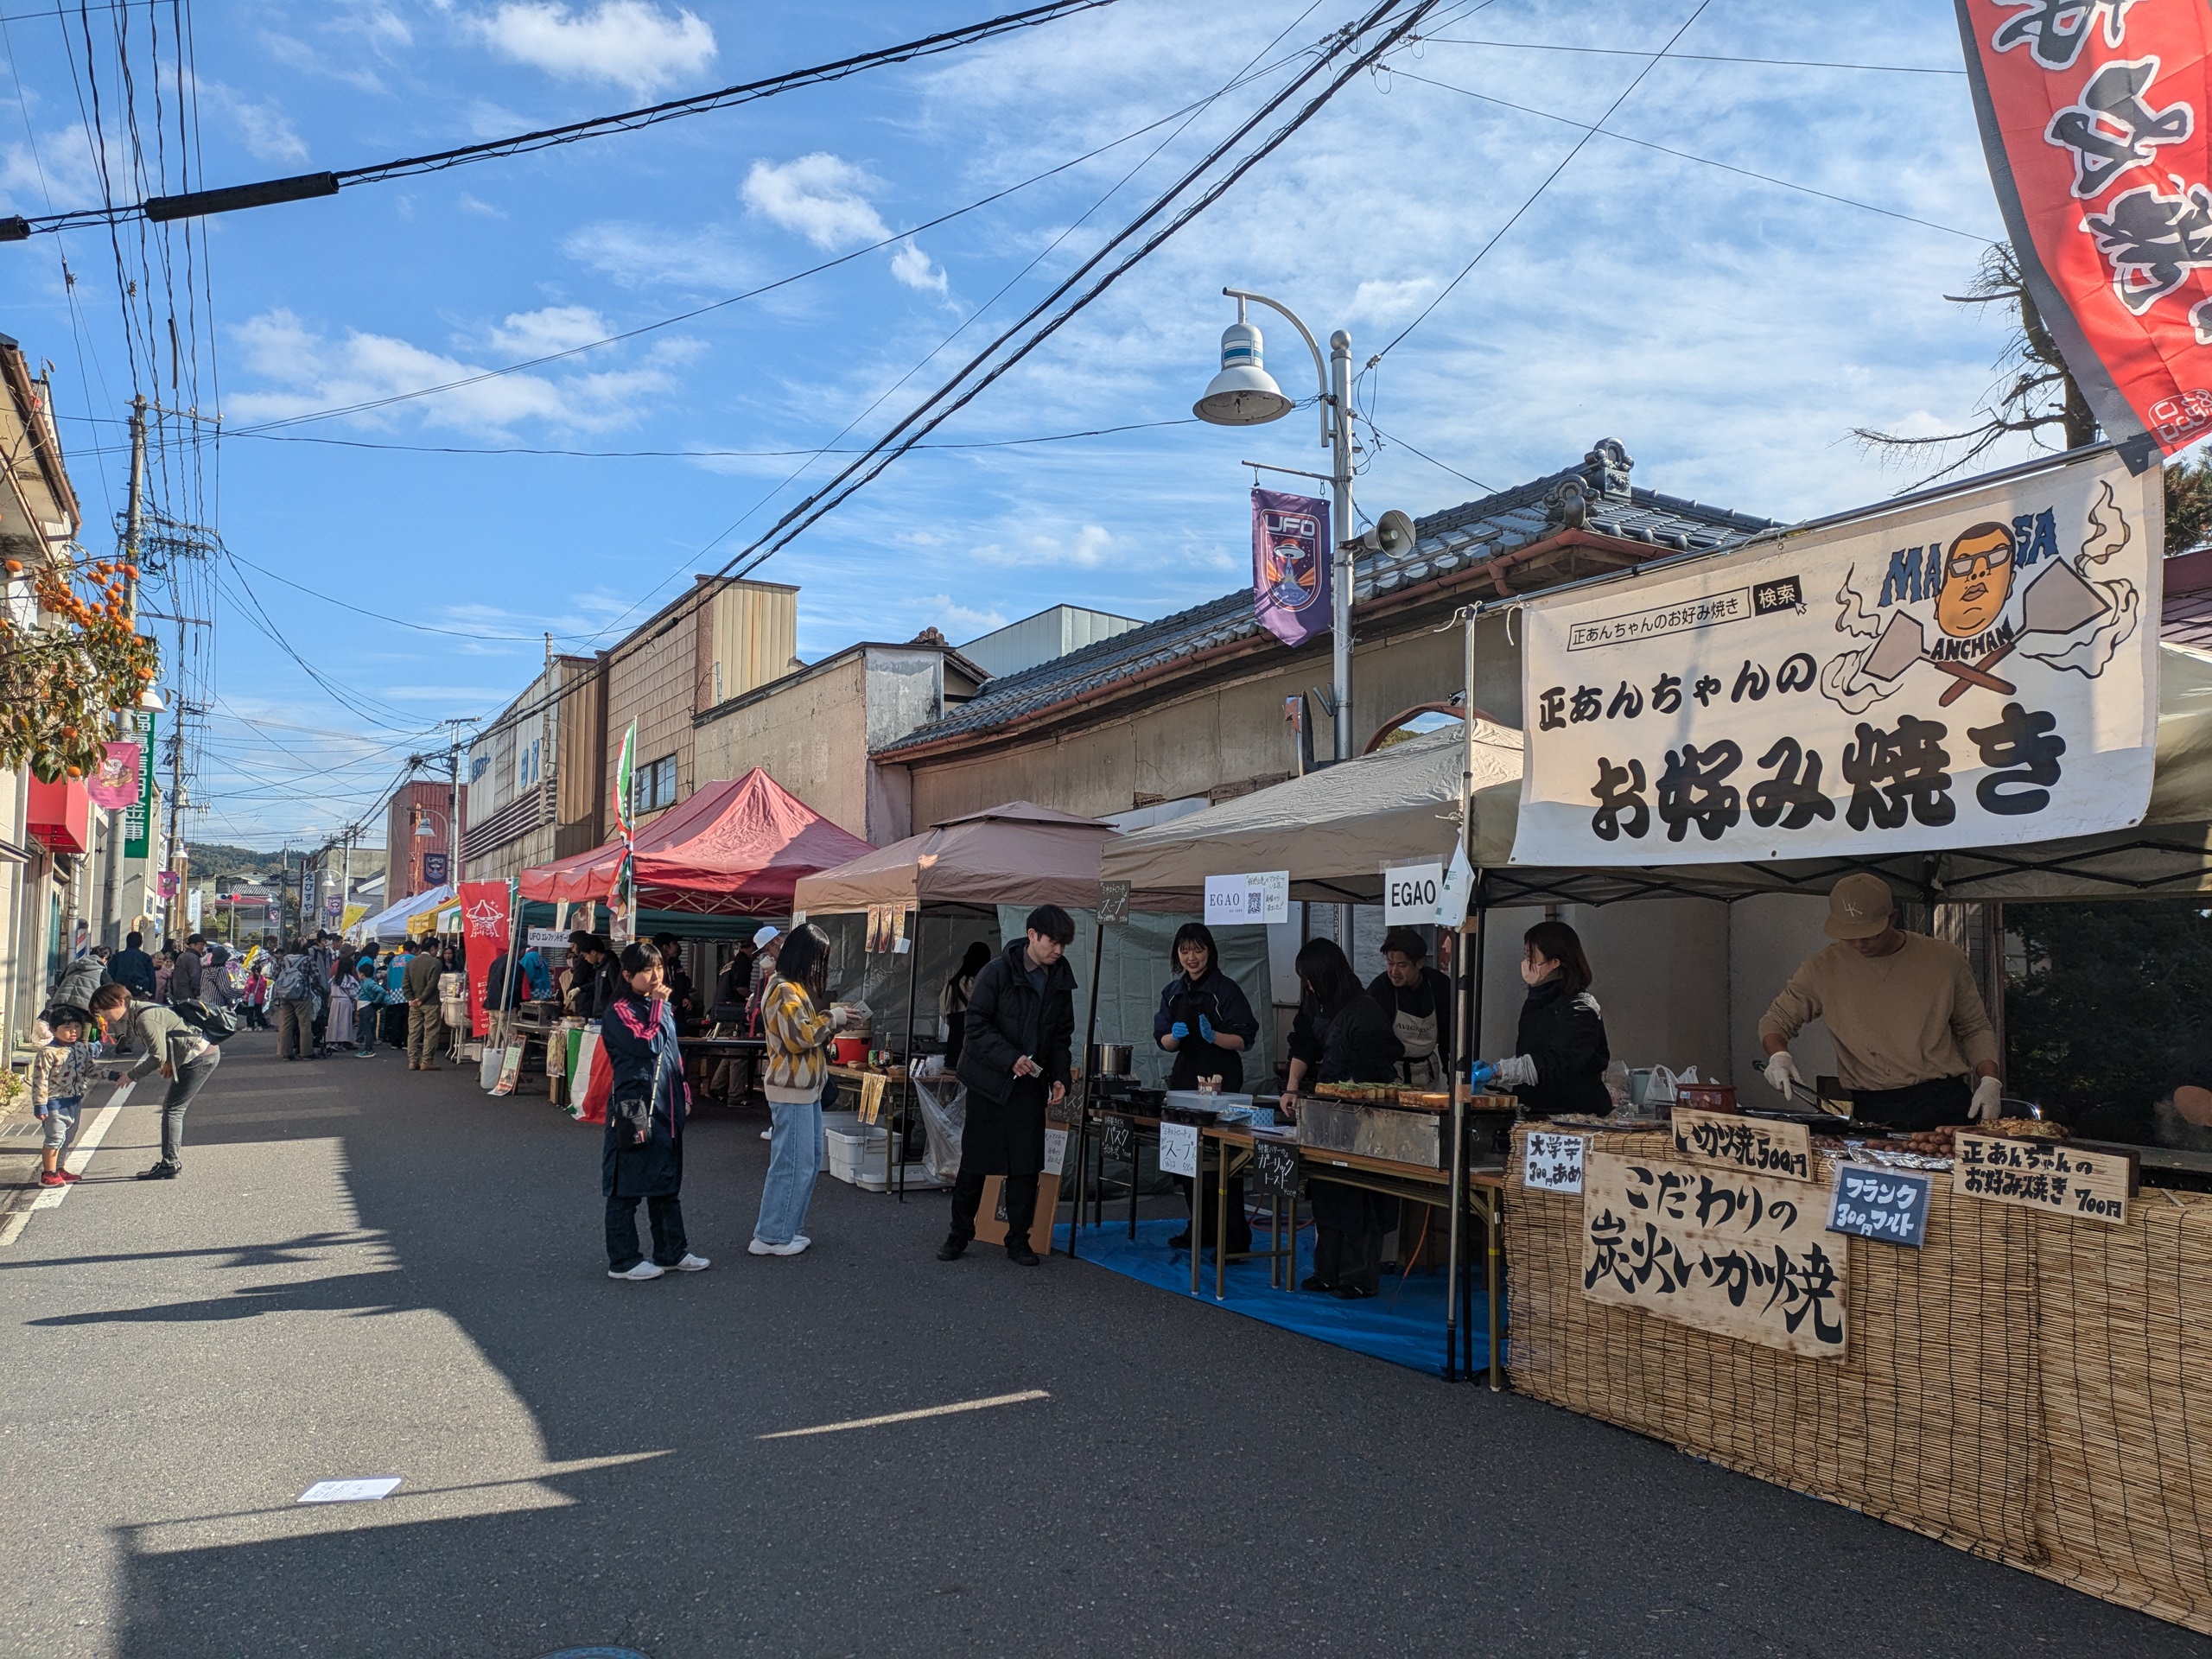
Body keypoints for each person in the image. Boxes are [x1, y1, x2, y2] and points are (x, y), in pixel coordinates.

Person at [1759, 872, 2001, 1131]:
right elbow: (1777, 1019)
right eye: (1849, 935)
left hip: (1943, 1099)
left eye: (1870, 934)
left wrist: (1989, 1080)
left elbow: (1974, 1027)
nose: (1860, 944)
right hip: (1872, 1105)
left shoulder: (1945, 959)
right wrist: (1779, 1056)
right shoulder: (1822, 968)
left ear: (1892, 919)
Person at [940, 905, 1077, 1269]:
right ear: (1032, 935)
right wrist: (1009, 1057)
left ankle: (1019, 1239)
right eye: (1053, 942)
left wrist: (1060, 1076)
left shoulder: (1060, 977)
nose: (1058, 951)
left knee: (1025, 1165)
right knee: (975, 1162)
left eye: (1064, 944)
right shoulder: (997, 971)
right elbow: (976, 1026)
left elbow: (1062, 1035)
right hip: (990, 1080)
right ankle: (958, 1234)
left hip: (1031, 1083)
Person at [1284, 938, 1403, 1299]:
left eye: (1309, 978)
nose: (1306, 985)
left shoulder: (1364, 1011)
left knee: (1358, 1198)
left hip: (1362, 1116)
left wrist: (1350, 1086)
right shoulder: (1314, 1002)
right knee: (1326, 1190)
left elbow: (1380, 1067)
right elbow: (1303, 1042)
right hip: (1324, 1109)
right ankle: (1326, 1271)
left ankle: (1358, 1277)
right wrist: (1291, 1085)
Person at [598, 940, 709, 1281]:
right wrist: (661, 1007)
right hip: (634, 1104)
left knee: (666, 1184)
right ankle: (624, 1260)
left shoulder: (656, 1005)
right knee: (626, 1187)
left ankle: (672, 1251)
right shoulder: (620, 1010)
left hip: (667, 1103)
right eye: (647, 970)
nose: (656, 975)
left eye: (659, 967)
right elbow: (648, 1045)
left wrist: (686, 1088)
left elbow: (672, 1053)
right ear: (628, 974)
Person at [1151, 922, 1261, 1253]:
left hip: (1222, 1077)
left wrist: (1215, 1036)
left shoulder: (1225, 990)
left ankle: (1234, 1235)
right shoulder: (1172, 992)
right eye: (1184, 951)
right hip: (1185, 1077)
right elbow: (1163, 1041)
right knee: (1186, 1158)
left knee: (1223, 1158)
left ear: (1209, 951)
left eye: (1197, 950)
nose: (1191, 957)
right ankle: (1199, 1226)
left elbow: (1244, 1039)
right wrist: (1176, 1037)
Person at [752, 924, 844, 1255]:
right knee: (795, 1163)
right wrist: (832, 1018)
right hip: (793, 1088)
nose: (821, 965)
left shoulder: (787, 986)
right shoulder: (785, 989)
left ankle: (780, 1231)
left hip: (799, 1088)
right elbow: (800, 1038)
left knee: (798, 1162)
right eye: (819, 958)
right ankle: (774, 1235)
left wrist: (829, 1022)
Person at [1468, 921, 1611, 1117]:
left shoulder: (1580, 1007)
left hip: (1572, 1116)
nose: (1525, 963)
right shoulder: (1538, 1000)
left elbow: (1557, 1061)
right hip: (1536, 1109)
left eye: (1531, 957)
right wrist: (1499, 1070)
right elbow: (1532, 1053)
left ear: (1555, 962)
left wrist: (1500, 1070)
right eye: (1525, 956)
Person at [88, 981, 222, 1179]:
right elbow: (168, 1038)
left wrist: (131, 1075)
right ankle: (169, 1161)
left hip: (199, 1056)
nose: (103, 1016)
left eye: (103, 1010)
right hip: (197, 1053)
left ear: (119, 1002)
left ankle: (170, 1164)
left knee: (173, 1109)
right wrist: (169, 1062)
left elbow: (156, 1056)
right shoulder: (139, 1011)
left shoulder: (144, 1018)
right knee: (171, 1108)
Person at [1366, 927, 1454, 1090]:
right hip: (1392, 1075)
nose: (1394, 972)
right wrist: (1390, 1076)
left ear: (1419, 963)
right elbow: (1372, 1044)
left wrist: (1453, 1079)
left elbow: (1449, 1038)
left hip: (1428, 1073)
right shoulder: (1379, 990)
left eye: (1401, 965)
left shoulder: (1439, 986)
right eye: (1390, 963)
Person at [29, 1003, 98, 1188]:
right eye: (67, 1028)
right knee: (55, 1137)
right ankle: (48, 1173)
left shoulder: (81, 1048)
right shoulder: (47, 1052)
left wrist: (114, 1075)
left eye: (76, 1026)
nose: (73, 1031)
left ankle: (59, 1168)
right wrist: (40, 1104)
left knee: (68, 1137)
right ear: (53, 1029)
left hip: (74, 1100)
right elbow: (40, 1080)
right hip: (55, 1103)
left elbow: (90, 1069)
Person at [941, 940, 991, 1073]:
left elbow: (944, 1014)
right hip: (975, 1052)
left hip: (953, 1053)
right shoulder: (984, 984)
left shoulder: (951, 985)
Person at [404, 939, 445, 1070]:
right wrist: (422, 999)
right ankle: (427, 1061)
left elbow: (405, 984)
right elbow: (432, 985)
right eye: (437, 949)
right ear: (432, 948)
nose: (437, 951)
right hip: (431, 1002)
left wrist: (411, 999)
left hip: (414, 1003)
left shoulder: (411, 963)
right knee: (430, 1032)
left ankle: (412, 1061)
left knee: (413, 1032)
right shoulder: (436, 963)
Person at [272, 941, 316, 1062]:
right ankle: (306, 1053)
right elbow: (316, 977)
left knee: (286, 1025)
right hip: (302, 995)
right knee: (304, 1024)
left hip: (285, 996)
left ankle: (286, 1053)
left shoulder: (284, 960)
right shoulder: (308, 960)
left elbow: (274, 974)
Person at [49, 945, 110, 1012]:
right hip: (82, 1008)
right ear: (105, 958)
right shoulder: (102, 972)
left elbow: (59, 983)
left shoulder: (72, 965)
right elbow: (110, 992)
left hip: (59, 1003)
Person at [353, 955, 385, 1056]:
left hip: (365, 1008)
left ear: (361, 974)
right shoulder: (368, 982)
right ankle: (369, 1048)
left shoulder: (367, 984)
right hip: (366, 1008)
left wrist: (376, 1001)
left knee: (367, 1030)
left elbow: (381, 992)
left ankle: (369, 1049)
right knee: (368, 1029)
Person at [110, 931, 156, 1000]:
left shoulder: (117, 956)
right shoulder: (145, 957)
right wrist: (152, 993)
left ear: (127, 942)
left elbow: (111, 975)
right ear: (140, 943)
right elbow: (151, 976)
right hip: (140, 992)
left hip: (120, 992)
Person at [327, 957, 359, 1052]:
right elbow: (354, 993)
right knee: (345, 1023)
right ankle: (344, 1041)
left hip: (335, 1001)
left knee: (334, 1022)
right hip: (346, 1002)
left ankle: (333, 1041)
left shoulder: (335, 978)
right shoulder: (350, 978)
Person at [168, 934, 206, 1006]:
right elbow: (195, 977)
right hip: (189, 996)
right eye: (200, 945)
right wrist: (198, 993)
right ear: (192, 945)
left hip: (179, 993)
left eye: (203, 945)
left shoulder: (183, 955)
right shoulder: (193, 958)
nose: (202, 947)